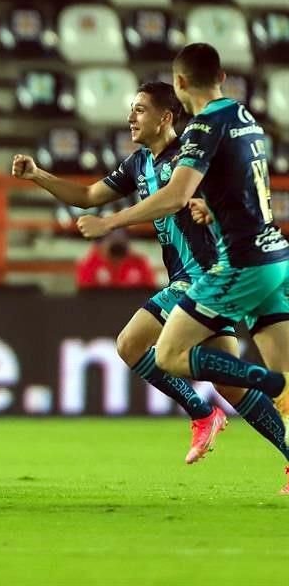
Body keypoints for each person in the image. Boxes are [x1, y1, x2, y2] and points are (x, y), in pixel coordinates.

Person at [12, 81, 288, 467]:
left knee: (130, 344)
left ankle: (204, 412)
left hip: (206, 274)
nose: (130, 117)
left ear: (166, 117)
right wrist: (39, 175)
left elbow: (228, 189)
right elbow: (89, 196)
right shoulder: (138, 164)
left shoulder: (191, 156)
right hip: (201, 277)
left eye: (140, 110)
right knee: (229, 381)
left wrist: (207, 205)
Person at [75, 44, 289, 490]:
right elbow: (235, 184)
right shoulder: (246, 119)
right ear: (223, 77)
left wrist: (110, 222)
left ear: (179, 85)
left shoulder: (204, 127)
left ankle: (242, 396)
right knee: (248, 386)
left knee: (169, 355)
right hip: (273, 255)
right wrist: (212, 206)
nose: (131, 118)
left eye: (139, 109)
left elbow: (174, 195)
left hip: (233, 265)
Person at [75, 229, 156, 289]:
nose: (116, 256)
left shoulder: (139, 263)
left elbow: (149, 294)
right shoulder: (89, 264)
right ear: (100, 245)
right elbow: (85, 296)